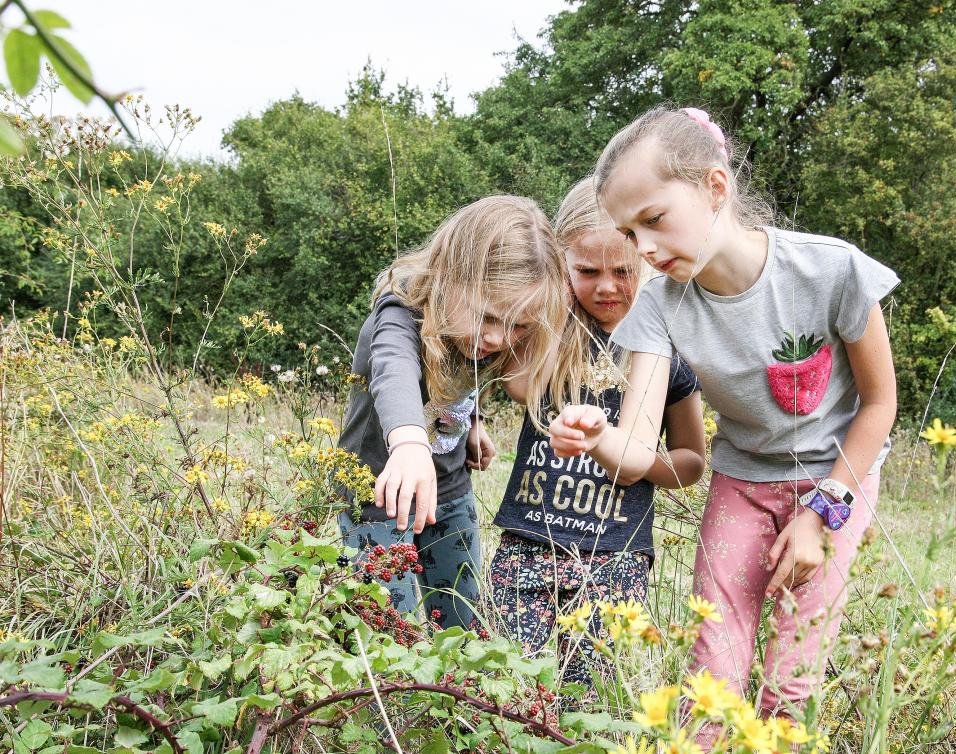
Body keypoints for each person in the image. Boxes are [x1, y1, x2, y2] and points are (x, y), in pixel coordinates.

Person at [548, 107, 899, 726]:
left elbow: (879, 405)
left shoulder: (831, 271)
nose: (645, 250)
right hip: (741, 485)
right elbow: (634, 451)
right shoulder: (657, 306)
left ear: (715, 187)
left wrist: (823, 513)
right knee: (714, 668)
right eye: (630, 234)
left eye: (653, 220)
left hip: (837, 479)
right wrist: (600, 436)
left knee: (792, 679)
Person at [487, 178, 706, 687]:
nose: (606, 287)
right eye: (586, 271)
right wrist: (553, 300)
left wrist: (636, 461)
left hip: (615, 551)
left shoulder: (666, 349)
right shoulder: (552, 334)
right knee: (509, 683)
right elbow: (519, 388)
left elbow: (692, 460)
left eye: (623, 271)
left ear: (650, 265)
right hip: (527, 541)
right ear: (562, 267)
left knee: (592, 692)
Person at [337, 195, 577, 630]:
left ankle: (454, 697)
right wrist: (409, 444)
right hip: (378, 496)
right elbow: (394, 372)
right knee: (392, 630)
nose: (497, 338)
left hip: (449, 489)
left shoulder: (477, 334)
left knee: (462, 621)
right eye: (488, 317)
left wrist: (473, 422)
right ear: (450, 277)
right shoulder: (398, 317)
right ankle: (392, 699)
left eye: (518, 327)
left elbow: (464, 377)